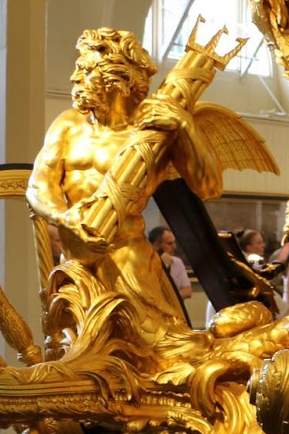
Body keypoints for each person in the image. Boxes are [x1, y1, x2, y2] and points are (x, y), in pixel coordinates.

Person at [27, 27, 223, 344]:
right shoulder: (68, 124)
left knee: (153, 356)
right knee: (77, 355)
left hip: (128, 264)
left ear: (114, 78)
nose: (75, 78)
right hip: (76, 267)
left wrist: (186, 127)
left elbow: (210, 186)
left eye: (85, 69)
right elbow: (38, 184)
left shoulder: (154, 131)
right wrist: (66, 218)